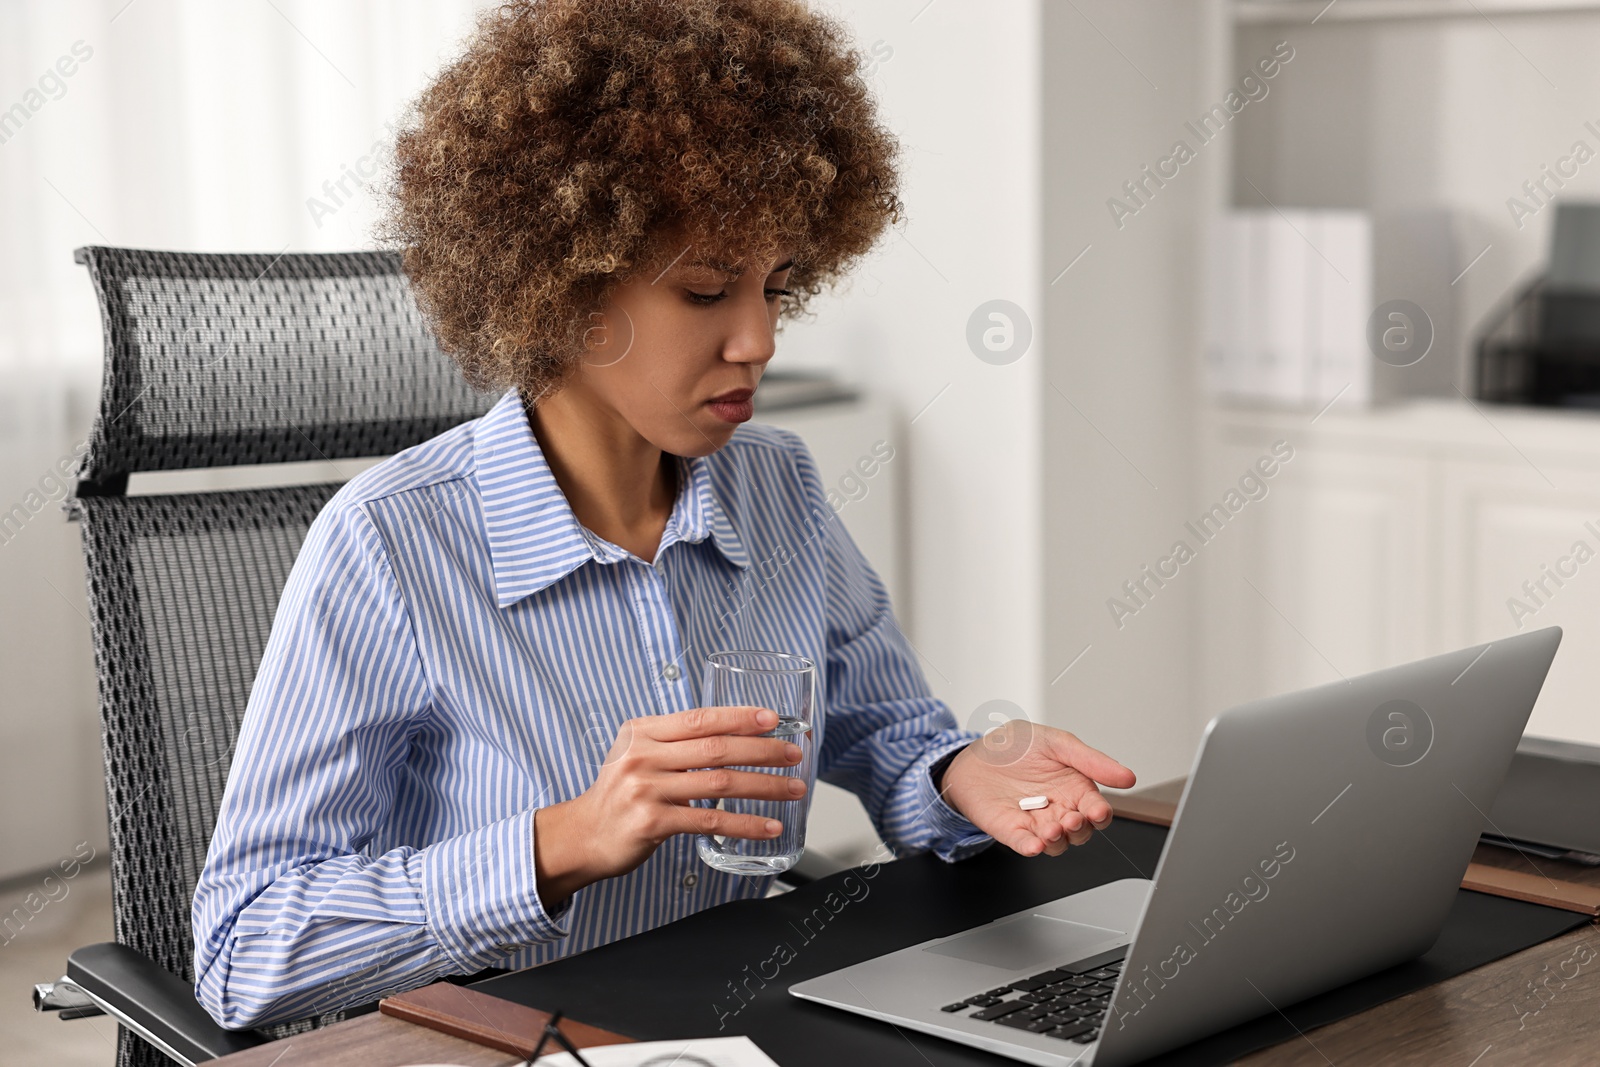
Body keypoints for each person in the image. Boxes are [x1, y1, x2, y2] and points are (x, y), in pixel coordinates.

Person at [191, 0, 1135, 1031]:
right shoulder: (391, 542)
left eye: (777, 287)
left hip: (721, 1025)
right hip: (501, 1041)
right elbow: (247, 951)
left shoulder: (776, 486)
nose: (758, 339)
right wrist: (565, 838)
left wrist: (968, 774)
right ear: (559, 287)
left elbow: (887, 736)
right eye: (704, 291)